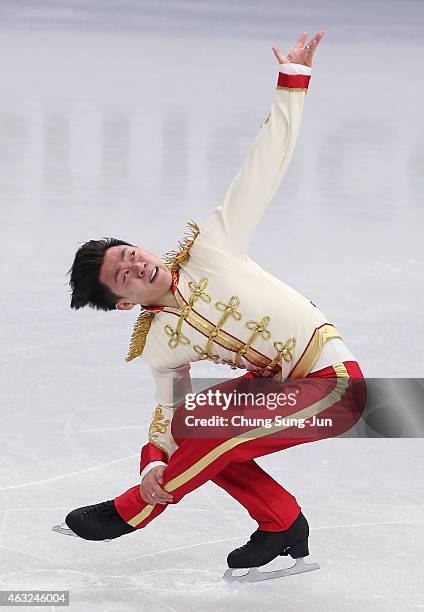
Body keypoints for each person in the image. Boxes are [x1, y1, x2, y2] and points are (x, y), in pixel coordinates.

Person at [54, 31, 367, 578]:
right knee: (195, 424)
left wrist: (292, 84)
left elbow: (263, 167)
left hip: (333, 383)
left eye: (130, 254)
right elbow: (167, 418)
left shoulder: (212, 248)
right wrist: (155, 459)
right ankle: (283, 524)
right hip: (276, 391)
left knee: (212, 436)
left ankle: (135, 511)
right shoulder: (158, 341)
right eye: (122, 277)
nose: (135, 266)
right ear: (123, 303)